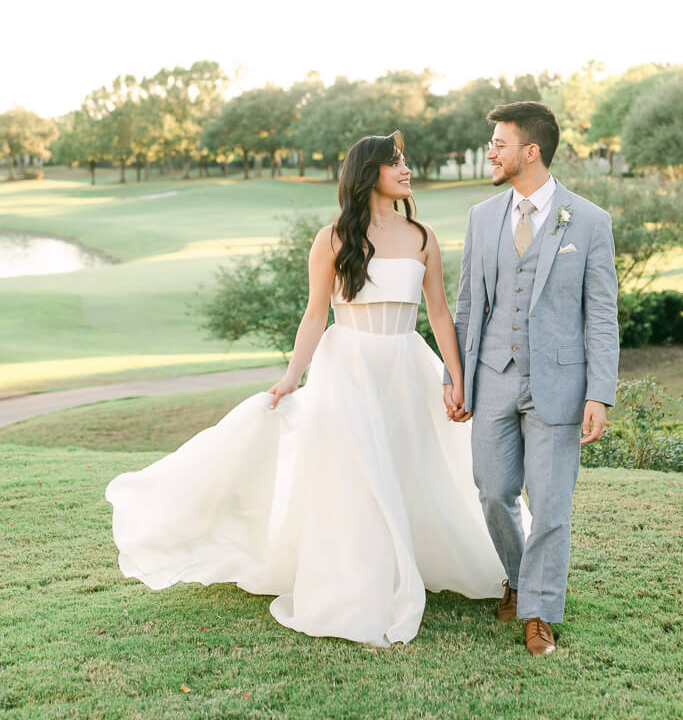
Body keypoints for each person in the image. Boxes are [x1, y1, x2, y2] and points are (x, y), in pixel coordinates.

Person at [106, 132, 514, 648]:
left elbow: (438, 312)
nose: (407, 169)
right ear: (370, 174)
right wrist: (290, 375)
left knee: (411, 466)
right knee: (358, 475)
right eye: (396, 162)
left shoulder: (422, 236)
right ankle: (360, 579)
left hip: (406, 364)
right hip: (346, 368)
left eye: (405, 161)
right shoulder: (332, 239)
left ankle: (414, 559)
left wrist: (453, 377)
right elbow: (314, 314)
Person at [443, 101, 619, 657]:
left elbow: (602, 314)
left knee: (550, 503)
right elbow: (469, 305)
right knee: (494, 493)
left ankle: (538, 610)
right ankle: (519, 578)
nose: (491, 152)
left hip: (560, 385)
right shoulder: (481, 217)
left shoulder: (588, 221)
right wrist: (458, 378)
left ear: (531, 151)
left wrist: (600, 393)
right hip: (492, 376)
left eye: (499, 142)